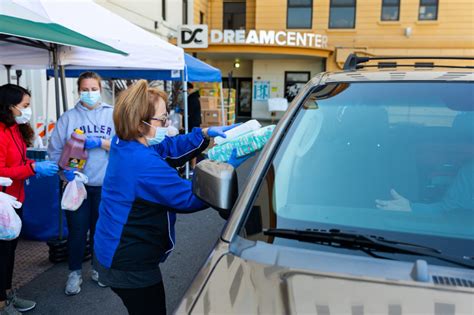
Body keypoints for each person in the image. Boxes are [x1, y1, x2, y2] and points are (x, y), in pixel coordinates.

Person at [93, 80, 248, 315]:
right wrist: (223, 167)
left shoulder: (125, 142)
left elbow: (168, 147)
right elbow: (190, 197)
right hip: (129, 263)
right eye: (162, 119)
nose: (167, 125)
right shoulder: (142, 164)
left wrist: (204, 134)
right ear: (140, 122)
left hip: (112, 250)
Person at [47, 72, 115, 296]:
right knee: (77, 231)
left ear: (101, 89)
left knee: (100, 230)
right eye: (85, 89)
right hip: (77, 186)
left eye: (93, 89)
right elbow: (55, 149)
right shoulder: (68, 118)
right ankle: (74, 273)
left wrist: (102, 142)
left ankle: (98, 269)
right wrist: (66, 173)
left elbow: (124, 145)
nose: (89, 93)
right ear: (78, 91)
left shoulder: (112, 115)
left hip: (105, 184)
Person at [0, 84, 58, 314]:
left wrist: (31, 166)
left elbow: (18, 163)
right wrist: (33, 169)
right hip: (3, 204)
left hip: (16, 200)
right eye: (25, 106)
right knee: (2, 254)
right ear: (9, 106)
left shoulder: (16, 129)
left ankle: (6, 294)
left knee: (9, 251)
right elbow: (2, 171)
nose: (28, 110)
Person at [184, 82, 202, 170]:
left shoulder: (192, 99)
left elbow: (189, 113)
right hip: (195, 123)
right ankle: (193, 165)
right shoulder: (195, 97)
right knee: (194, 143)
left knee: (193, 144)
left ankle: (193, 166)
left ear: (188, 89)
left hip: (192, 124)